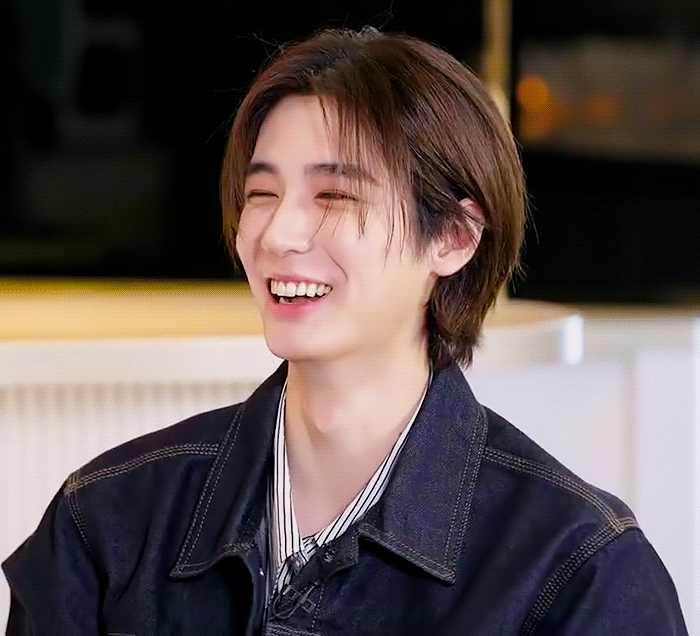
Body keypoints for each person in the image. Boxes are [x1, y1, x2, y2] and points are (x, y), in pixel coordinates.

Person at [2, 26, 688, 635]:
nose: (279, 234)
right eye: (262, 194)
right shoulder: (107, 524)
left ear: (453, 236)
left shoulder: (577, 572)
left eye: (334, 196)